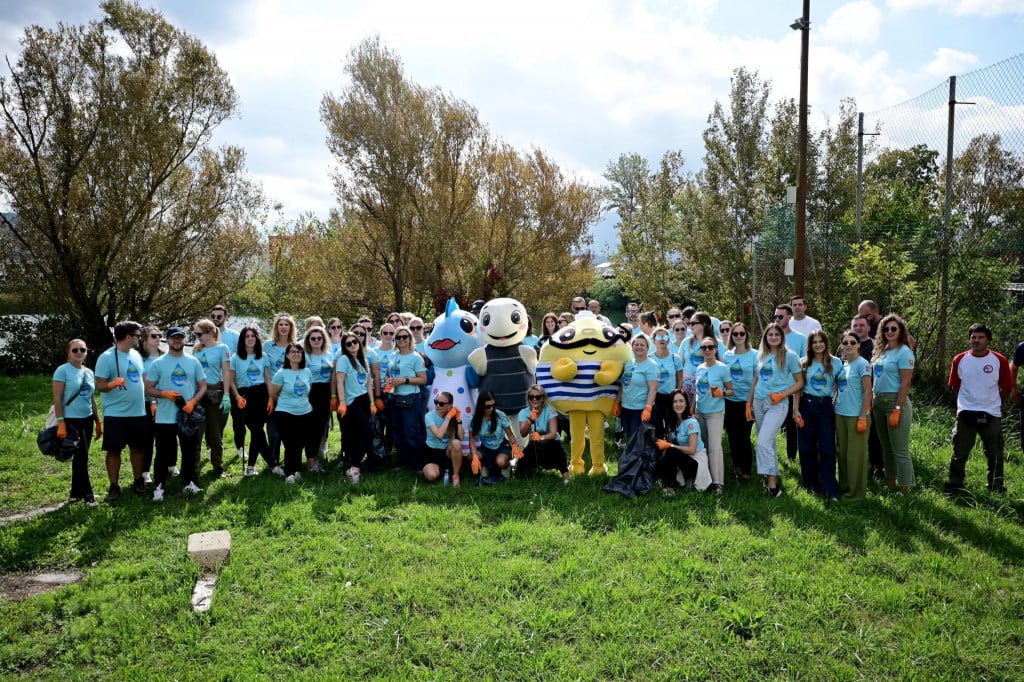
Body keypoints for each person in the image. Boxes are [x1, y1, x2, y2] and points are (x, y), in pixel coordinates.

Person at [944, 323, 1014, 494]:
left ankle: (996, 487)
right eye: (973, 337)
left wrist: (994, 402)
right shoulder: (959, 359)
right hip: (966, 413)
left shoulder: (1000, 360)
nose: (976, 340)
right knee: (959, 452)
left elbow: (1006, 387)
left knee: (995, 455)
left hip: (991, 413)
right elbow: (954, 386)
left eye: (981, 337)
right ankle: (955, 485)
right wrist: (967, 403)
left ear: (988, 340)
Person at [144, 327, 207, 501]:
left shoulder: (193, 361)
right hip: (165, 416)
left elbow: (202, 385)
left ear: (184, 339)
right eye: (173, 338)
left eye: (180, 338)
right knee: (163, 453)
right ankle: (159, 486)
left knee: (189, 451)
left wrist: (193, 402)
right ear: (168, 340)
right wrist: (164, 394)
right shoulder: (158, 363)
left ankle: (189, 483)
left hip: (186, 415)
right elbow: (148, 388)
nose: (177, 341)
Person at [748, 323, 804, 498]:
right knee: (769, 441)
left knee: (763, 441)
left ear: (781, 337)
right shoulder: (761, 354)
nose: (773, 337)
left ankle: (772, 484)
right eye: (770, 334)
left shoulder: (790, 356)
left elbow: (800, 382)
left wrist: (783, 395)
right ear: (766, 337)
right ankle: (772, 480)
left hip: (777, 404)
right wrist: (748, 403)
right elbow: (756, 379)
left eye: (776, 335)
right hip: (758, 402)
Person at [94, 320, 147, 499]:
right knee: (114, 450)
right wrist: (113, 383)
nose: (140, 338)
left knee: (138, 448)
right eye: (138, 335)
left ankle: (138, 479)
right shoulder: (107, 357)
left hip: (138, 412)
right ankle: (114, 485)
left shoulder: (136, 355)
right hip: (116, 413)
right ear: (128, 337)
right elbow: (100, 386)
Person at [227, 326, 283, 477]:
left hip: (262, 394)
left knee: (257, 431)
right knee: (256, 430)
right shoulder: (235, 357)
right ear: (242, 339)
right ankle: (273, 465)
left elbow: (267, 378)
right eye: (247, 336)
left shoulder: (263, 356)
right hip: (245, 395)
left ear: (257, 338)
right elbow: (231, 381)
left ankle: (250, 467)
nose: (250, 338)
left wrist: (271, 397)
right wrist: (237, 396)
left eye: (253, 336)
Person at [793, 330, 841, 499]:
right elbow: (798, 389)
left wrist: (835, 403)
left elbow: (840, 386)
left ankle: (829, 488)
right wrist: (795, 409)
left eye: (821, 341)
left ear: (826, 343)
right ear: (810, 345)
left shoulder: (836, 362)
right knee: (807, 448)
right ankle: (810, 484)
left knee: (828, 448)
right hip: (806, 406)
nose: (818, 344)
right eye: (815, 342)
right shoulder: (803, 363)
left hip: (826, 408)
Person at [871, 314, 916, 494]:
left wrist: (898, 408)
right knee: (886, 448)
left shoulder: (904, 352)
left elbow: (906, 382)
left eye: (893, 329)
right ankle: (890, 483)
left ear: (900, 331)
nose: (889, 332)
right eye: (886, 329)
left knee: (900, 449)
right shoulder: (882, 351)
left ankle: (905, 488)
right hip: (878, 402)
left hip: (894, 401)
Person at [53, 339, 100, 506]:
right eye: (75, 350)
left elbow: (91, 398)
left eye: (82, 349)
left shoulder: (89, 372)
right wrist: (61, 423)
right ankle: (88, 495)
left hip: (87, 419)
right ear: (69, 352)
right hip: (71, 420)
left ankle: (75, 494)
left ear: (86, 352)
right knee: (81, 457)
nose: (79, 353)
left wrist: (98, 421)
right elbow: (57, 399)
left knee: (81, 457)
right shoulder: (62, 371)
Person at [269, 342, 317, 483]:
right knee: (291, 444)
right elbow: (273, 394)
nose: (296, 354)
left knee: (301, 443)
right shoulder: (281, 373)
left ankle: (297, 470)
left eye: (299, 352)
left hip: (305, 413)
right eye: (293, 352)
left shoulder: (307, 372)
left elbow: (309, 391)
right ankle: (289, 474)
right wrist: (288, 400)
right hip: (285, 413)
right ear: (287, 355)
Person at [835, 330, 873, 500]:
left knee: (854, 456)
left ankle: (856, 493)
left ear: (858, 345)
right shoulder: (843, 365)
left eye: (852, 342)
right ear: (841, 346)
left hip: (856, 416)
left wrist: (863, 417)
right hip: (840, 414)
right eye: (845, 343)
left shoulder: (862, 364)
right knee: (842, 453)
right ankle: (844, 487)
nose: (849, 345)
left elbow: (868, 392)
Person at [191, 319, 231, 479]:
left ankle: (217, 466)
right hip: (199, 395)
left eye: (199, 333)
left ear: (210, 332)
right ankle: (193, 467)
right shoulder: (196, 349)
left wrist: (227, 395)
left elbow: (226, 373)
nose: (197, 336)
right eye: (195, 334)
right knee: (196, 434)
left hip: (215, 394)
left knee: (215, 434)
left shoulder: (222, 348)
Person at [336, 331, 377, 483]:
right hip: (351, 402)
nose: (352, 345)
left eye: (355, 342)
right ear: (344, 346)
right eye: (348, 343)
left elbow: (368, 383)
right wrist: (341, 402)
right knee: (365, 433)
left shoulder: (363, 360)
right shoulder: (343, 360)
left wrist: (372, 402)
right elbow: (340, 381)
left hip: (365, 400)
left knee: (361, 434)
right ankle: (354, 469)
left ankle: (355, 465)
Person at [694, 335, 733, 494]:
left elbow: (731, 391)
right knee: (703, 446)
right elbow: (697, 391)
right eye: (704, 348)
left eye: (710, 347)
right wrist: (693, 407)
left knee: (715, 447)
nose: (707, 350)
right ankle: (705, 479)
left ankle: (718, 483)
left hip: (715, 412)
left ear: (716, 349)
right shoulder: (700, 368)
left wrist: (722, 393)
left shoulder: (723, 368)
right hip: (700, 411)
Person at [386, 325, 427, 469]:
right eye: (398, 337)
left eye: (405, 337)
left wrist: (405, 380)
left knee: (411, 432)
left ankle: (418, 463)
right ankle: (403, 461)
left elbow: (423, 379)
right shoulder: (393, 355)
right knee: (397, 431)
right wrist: (388, 380)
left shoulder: (416, 357)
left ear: (410, 338)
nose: (402, 339)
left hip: (410, 397)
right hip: (394, 397)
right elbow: (389, 374)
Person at [654, 390, 711, 494]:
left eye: (681, 401)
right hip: (683, 458)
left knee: (671, 450)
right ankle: (666, 479)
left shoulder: (691, 422)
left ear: (686, 403)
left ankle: (670, 489)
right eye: (675, 401)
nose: (678, 404)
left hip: (695, 460)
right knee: (660, 460)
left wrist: (669, 445)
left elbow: (692, 450)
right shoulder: (673, 423)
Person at [849, 313, 884, 479]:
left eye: (861, 325)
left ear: (869, 328)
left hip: (869, 395)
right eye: (855, 325)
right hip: (848, 397)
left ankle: (877, 466)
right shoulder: (846, 344)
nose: (858, 328)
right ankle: (855, 465)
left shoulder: (875, 347)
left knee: (873, 434)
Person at [723, 322, 757, 483]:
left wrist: (751, 402)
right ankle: (736, 466)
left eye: (741, 334)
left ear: (746, 336)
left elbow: (757, 380)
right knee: (732, 435)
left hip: (747, 401)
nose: (738, 336)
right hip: (729, 401)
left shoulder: (755, 355)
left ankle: (746, 471)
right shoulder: (727, 355)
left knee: (744, 436)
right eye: (735, 334)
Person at [211, 305, 245, 465]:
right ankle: (213, 446)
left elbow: (241, 358)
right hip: (214, 384)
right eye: (213, 316)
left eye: (219, 316)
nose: (216, 319)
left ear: (226, 317)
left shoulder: (234, 336)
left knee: (238, 417)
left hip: (233, 383)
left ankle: (239, 446)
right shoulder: (207, 336)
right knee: (216, 419)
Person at [773, 304, 806, 461]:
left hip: (793, 390)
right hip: (773, 390)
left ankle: (792, 458)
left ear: (789, 317)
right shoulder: (771, 336)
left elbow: (804, 363)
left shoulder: (801, 339)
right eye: (775, 317)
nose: (777, 319)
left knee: (792, 427)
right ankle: (773, 457)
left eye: (780, 316)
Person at [516, 385, 570, 482]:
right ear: (528, 399)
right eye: (531, 397)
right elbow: (523, 434)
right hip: (534, 445)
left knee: (557, 449)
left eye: (538, 397)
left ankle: (566, 478)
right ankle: (526, 476)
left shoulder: (550, 410)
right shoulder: (523, 413)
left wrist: (540, 437)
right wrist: (529, 421)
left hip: (551, 442)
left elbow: (553, 434)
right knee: (522, 464)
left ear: (543, 399)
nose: (534, 399)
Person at [469, 390, 522, 485]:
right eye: (488, 406)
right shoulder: (475, 419)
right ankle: (484, 467)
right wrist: (475, 456)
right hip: (486, 448)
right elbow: (472, 439)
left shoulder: (500, 415)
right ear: (481, 406)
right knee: (471, 456)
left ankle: (507, 466)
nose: (491, 409)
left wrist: (514, 446)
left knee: (500, 461)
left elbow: (510, 434)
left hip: (501, 446)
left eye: (493, 405)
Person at [264, 313, 297, 466]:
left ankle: (290, 461)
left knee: (290, 429)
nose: (284, 327)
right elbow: (265, 370)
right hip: (272, 393)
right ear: (276, 327)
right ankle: (273, 461)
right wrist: (271, 394)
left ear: (291, 327)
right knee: (273, 429)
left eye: (287, 324)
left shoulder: (296, 346)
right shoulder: (267, 346)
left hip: (291, 394)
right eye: (281, 324)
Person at [617, 334, 659, 446]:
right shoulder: (628, 362)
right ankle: (632, 460)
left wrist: (648, 408)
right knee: (629, 436)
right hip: (626, 407)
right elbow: (623, 384)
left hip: (640, 410)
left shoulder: (651, 366)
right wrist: (617, 403)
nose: (639, 347)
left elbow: (653, 388)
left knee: (636, 439)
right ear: (632, 346)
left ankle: (637, 462)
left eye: (642, 345)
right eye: (636, 344)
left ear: (647, 348)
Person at [303, 325, 334, 472]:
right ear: (308, 340)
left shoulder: (329, 354)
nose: (316, 341)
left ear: (324, 339)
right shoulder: (305, 356)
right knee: (311, 429)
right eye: (313, 338)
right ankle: (311, 461)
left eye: (319, 338)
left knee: (321, 428)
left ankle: (314, 458)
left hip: (326, 392)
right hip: (311, 393)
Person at [423, 391, 465, 485]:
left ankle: (455, 476)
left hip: (446, 452)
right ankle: (444, 471)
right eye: (436, 402)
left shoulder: (453, 417)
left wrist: (458, 420)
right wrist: (448, 418)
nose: (437, 405)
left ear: (449, 406)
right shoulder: (429, 416)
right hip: (431, 452)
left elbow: (461, 437)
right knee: (431, 476)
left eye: (441, 404)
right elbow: (439, 435)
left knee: (456, 443)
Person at [138, 325, 163, 482]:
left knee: (165, 438)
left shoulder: (165, 356)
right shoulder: (140, 359)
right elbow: (144, 382)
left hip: (166, 403)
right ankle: (145, 471)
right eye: (154, 336)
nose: (158, 338)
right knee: (148, 439)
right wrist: (152, 400)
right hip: (147, 404)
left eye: (160, 335)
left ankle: (169, 466)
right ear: (144, 339)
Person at [651, 326, 683, 438]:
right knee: (657, 428)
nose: (662, 339)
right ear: (653, 340)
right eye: (659, 336)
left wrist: (677, 395)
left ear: (668, 340)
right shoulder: (650, 359)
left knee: (672, 428)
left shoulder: (676, 359)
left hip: (671, 397)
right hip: (655, 397)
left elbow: (680, 380)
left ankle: (672, 450)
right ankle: (659, 452)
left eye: (665, 336)